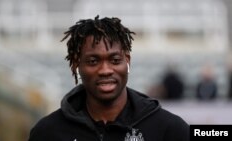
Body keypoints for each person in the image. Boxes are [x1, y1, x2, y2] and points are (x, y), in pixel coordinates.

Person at [28, 15, 189, 141]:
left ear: (127, 61)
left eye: (115, 60)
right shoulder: (48, 132)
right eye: (93, 61)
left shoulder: (169, 129)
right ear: (76, 65)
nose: (105, 70)